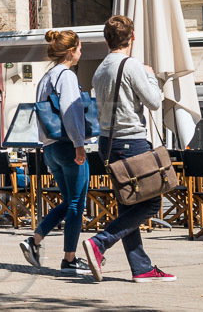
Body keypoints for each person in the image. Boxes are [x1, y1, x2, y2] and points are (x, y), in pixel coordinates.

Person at [80, 15, 174, 283]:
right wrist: (150, 75)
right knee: (153, 201)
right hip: (132, 141)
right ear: (132, 37)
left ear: (106, 39)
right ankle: (100, 243)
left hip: (108, 143)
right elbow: (154, 102)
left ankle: (141, 268)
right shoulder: (132, 66)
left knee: (128, 203)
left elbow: (106, 111)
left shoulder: (100, 70)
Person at [20, 29, 92, 276]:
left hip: (50, 147)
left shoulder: (46, 77)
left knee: (70, 201)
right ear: (71, 51)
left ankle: (35, 241)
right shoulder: (66, 76)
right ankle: (69, 259)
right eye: (80, 48)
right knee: (76, 203)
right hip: (68, 146)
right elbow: (70, 111)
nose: (81, 52)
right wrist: (79, 143)